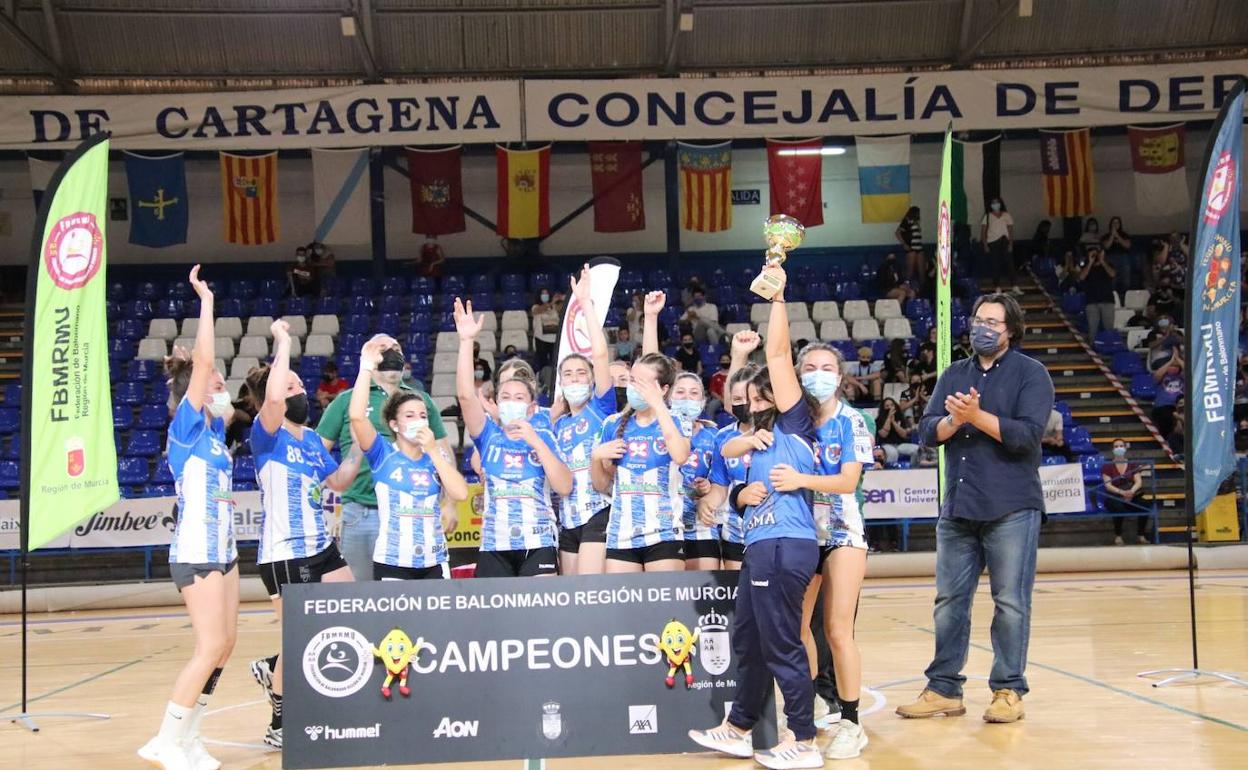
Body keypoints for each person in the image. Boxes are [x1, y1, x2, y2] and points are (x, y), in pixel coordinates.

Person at [688, 264, 824, 769]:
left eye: (758, 393)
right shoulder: (753, 436)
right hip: (760, 547)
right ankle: (739, 728)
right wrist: (743, 490)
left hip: (786, 544)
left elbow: (778, 354)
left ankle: (804, 739)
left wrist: (780, 298)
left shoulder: (794, 422)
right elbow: (733, 457)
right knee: (747, 637)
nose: (749, 399)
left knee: (780, 641)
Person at [897, 292, 1054, 724]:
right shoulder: (953, 373)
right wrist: (954, 421)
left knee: (1010, 603)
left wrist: (976, 417)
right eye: (978, 319)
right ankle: (943, 688)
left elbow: (1026, 437)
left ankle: (1007, 690)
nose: (982, 327)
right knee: (949, 602)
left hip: (1011, 507)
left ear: (1011, 330)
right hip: (959, 507)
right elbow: (929, 431)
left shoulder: (1031, 374)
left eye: (993, 322)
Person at [139, 267, 241, 770]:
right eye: (216, 384)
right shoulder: (185, 427)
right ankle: (166, 741)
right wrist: (206, 302)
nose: (223, 389)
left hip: (223, 549)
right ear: (195, 392)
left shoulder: (217, 436)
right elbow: (202, 361)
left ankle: (191, 734)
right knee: (207, 648)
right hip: (196, 550)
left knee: (225, 646)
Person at [245, 320, 362, 749]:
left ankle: (271, 665)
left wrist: (362, 445)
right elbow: (273, 395)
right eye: (290, 385)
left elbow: (338, 483)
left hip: (320, 545)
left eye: (298, 385)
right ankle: (279, 721)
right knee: (299, 638)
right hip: (284, 553)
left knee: (349, 613)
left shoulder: (312, 439)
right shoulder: (267, 433)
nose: (299, 391)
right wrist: (284, 342)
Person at [792, 340, 874, 759]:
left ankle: (852, 722)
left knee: (838, 630)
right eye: (810, 366)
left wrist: (801, 480)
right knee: (799, 627)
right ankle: (810, 705)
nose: (818, 374)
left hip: (842, 534)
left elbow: (846, 482)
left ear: (839, 377)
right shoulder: (795, 422)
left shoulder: (851, 421)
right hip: (803, 533)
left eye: (826, 367)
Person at [454, 298, 572, 577]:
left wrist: (536, 442)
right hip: (494, 544)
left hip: (539, 542)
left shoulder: (543, 433)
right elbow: (464, 396)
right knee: (492, 620)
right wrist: (466, 341)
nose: (511, 402)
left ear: (532, 407)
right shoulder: (489, 434)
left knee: (541, 618)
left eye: (519, 398)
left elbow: (565, 486)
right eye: (505, 397)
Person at [317, 337, 450, 582]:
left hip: (415, 514)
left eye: (396, 348)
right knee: (362, 596)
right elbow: (316, 453)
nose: (390, 352)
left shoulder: (421, 402)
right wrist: (336, 481)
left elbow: (443, 452)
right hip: (362, 511)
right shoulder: (347, 400)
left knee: (422, 596)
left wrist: (450, 503)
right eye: (383, 348)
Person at [349, 337, 469, 583]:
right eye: (410, 415)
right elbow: (357, 417)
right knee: (396, 624)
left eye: (423, 415)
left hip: (434, 561)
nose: (419, 420)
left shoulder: (435, 456)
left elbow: (460, 494)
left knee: (438, 622)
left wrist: (434, 452)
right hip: (393, 562)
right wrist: (365, 368)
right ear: (394, 424)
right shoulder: (383, 453)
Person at [592, 348, 690, 573]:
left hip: (664, 532)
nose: (634, 388)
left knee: (666, 608)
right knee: (623, 608)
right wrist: (595, 458)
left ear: (663, 389)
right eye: (633, 381)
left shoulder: (677, 419)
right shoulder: (612, 423)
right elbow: (601, 485)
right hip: (621, 534)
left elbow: (680, 455)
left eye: (643, 383)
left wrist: (658, 406)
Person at [553, 267, 617, 576]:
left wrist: (586, 305)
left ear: (592, 380)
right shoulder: (558, 424)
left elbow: (601, 355)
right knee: (572, 600)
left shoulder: (601, 408)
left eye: (581, 373)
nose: (575, 378)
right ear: (561, 383)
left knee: (589, 589)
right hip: (567, 519)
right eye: (568, 374)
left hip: (599, 510)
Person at [700, 331, 763, 571]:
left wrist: (739, 355)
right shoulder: (723, 437)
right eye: (737, 398)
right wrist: (707, 503)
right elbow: (719, 486)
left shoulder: (779, 430)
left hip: (772, 532)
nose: (742, 402)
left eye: (749, 397)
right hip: (734, 534)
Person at [672, 372, 720, 570]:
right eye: (680, 392)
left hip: (702, 525)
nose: (686, 398)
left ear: (702, 401)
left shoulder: (714, 436)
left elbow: (722, 481)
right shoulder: (657, 431)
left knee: (704, 594)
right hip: (665, 524)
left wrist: (709, 487)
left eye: (693, 393)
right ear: (668, 397)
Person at [1101, 439, 1149, 546]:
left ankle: (1141, 535)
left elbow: (1138, 481)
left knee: (1145, 505)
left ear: (1125, 448)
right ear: (1112, 450)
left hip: (1131, 495)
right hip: (1114, 496)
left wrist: (1131, 492)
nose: (1119, 448)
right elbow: (1108, 485)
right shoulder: (1107, 466)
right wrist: (1122, 493)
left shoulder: (1132, 465)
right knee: (1118, 508)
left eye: (1121, 446)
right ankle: (1118, 536)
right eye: (1116, 446)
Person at [979, 197, 1018, 295]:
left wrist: (1011, 244)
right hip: (992, 242)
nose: (995, 205)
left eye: (997, 202)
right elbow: (983, 232)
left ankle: (1014, 286)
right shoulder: (987, 216)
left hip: (1004, 240)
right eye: (993, 203)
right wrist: (985, 245)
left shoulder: (1006, 215)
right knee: (995, 265)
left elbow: (1010, 230)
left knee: (1010, 263)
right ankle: (997, 287)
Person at [1078, 245, 1117, 339]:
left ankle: (1109, 346)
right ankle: (1092, 347)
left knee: (1108, 328)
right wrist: (1090, 263)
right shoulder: (1086, 266)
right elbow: (1081, 277)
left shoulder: (1108, 265)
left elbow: (1112, 274)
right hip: (1091, 302)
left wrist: (1102, 261)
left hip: (1107, 301)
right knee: (1093, 329)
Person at [531, 287, 563, 373]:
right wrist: (552, 302)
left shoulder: (555, 307)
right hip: (541, 339)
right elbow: (540, 310)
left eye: (546, 294)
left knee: (555, 362)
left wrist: (561, 298)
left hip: (554, 339)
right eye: (543, 294)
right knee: (543, 362)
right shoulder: (535, 307)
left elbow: (562, 308)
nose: (545, 295)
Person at [1101, 216, 1133, 295]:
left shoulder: (1124, 235)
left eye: (1117, 222)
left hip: (1123, 258)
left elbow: (1128, 245)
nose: (1116, 224)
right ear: (1110, 224)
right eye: (1114, 222)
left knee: (1126, 264)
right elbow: (1106, 246)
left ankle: (1125, 293)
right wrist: (1112, 235)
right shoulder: (1106, 236)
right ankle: (1113, 294)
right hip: (1110, 258)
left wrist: (1118, 236)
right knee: (1112, 278)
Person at [896, 206, 924, 289]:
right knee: (910, 271)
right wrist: (904, 244)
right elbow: (898, 232)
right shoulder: (907, 220)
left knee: (921, 271)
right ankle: (907, 286)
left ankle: (923, 288)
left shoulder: (916, 222)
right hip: (911, 248)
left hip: (919, 247)